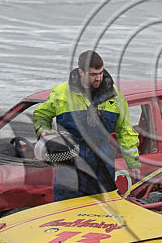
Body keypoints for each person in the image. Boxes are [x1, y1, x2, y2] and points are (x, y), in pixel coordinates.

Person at [33, 50, 140, 201]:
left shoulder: (114, 96)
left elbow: (125, 130)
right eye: (93, 75)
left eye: (101, 73)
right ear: (81, 72)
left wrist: (133, 162)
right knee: (66, 211)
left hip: (102, 163)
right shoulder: (61, 93)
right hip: (69, 163)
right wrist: (43, 131)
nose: (99, 78)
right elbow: (40, 116)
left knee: (105, 213)